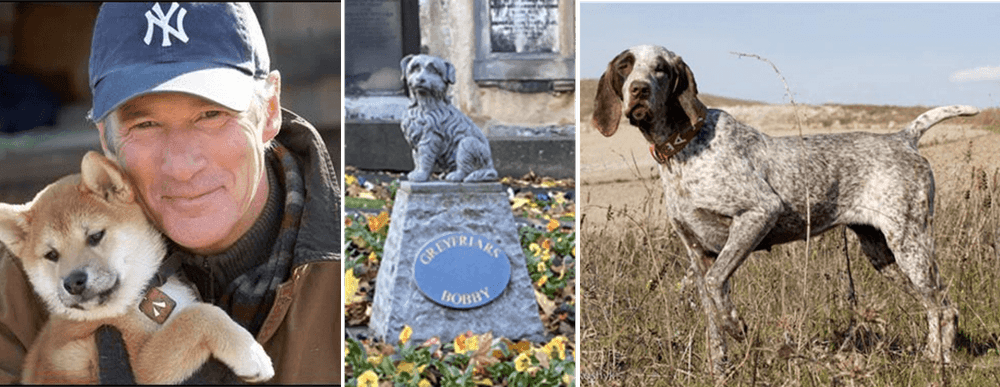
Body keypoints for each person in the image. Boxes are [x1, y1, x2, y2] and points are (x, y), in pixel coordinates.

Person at [0, 3, 342, 384]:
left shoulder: (360, 268)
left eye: (211, 115)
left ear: (271, 109)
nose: (180, 165)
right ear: (107, 141)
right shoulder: (22, 286)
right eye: (145, 124)